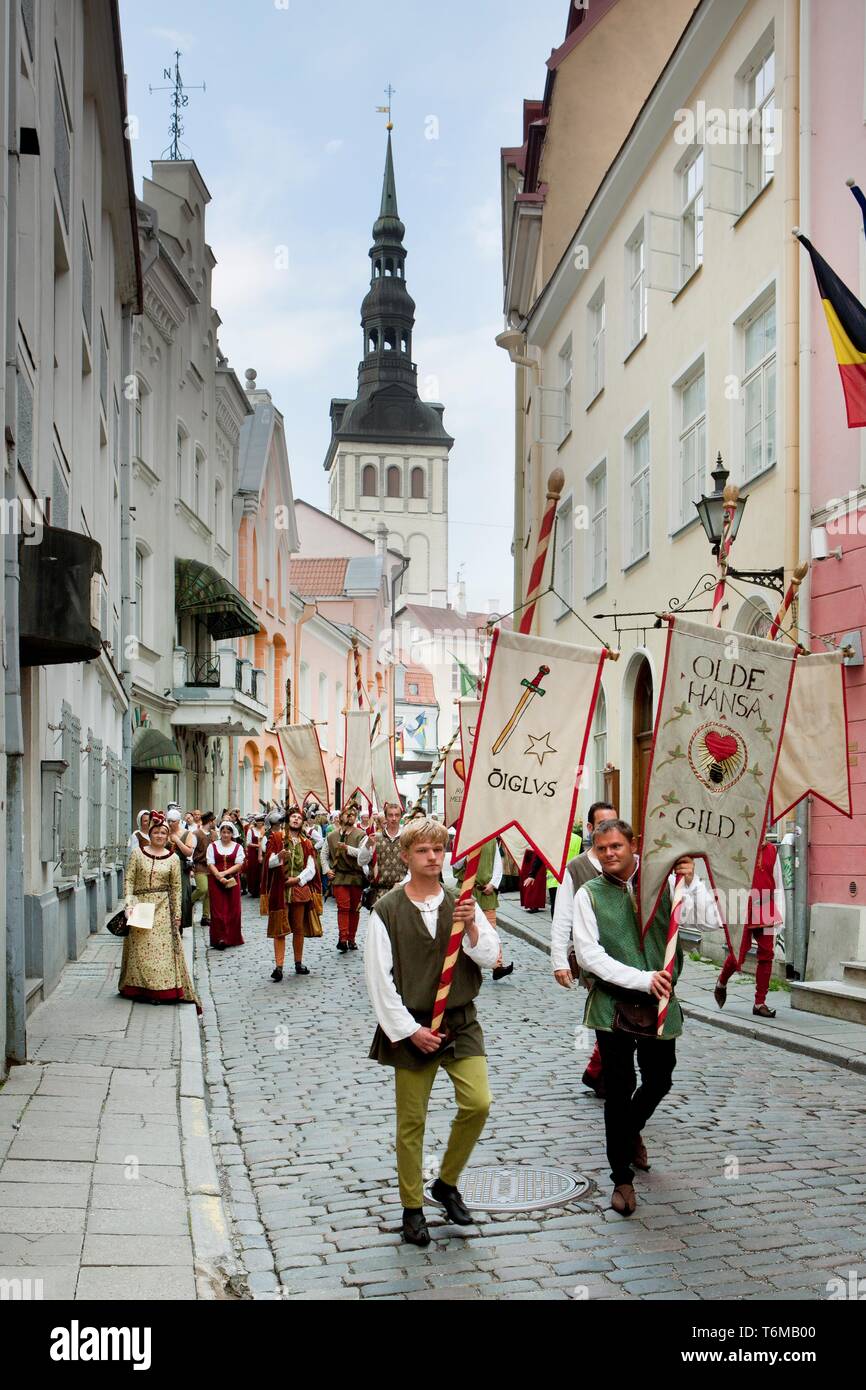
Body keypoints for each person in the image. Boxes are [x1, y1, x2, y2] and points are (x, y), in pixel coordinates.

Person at [570, 819, 717, 1218]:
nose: (609, 854)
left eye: (616, 846)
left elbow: (708, 921)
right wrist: (641, 978)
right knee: (618, 1089)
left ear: (633, 845)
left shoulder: (666, 882)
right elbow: (589, 955)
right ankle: (621, 1178)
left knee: (659, 1079)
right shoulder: (590, 894)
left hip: (660, 1003)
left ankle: (631, 1130)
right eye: (601, 849)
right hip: (612, 1004)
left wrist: (693, 881)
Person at [365, 818, 500, 1247]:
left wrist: (473, 926)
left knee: (478, 1102)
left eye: (438, 850)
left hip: (460, 1020)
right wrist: (408, 1032)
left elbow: (492, 957)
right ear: (406, 856)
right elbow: (379, 982)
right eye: (423, 850)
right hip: (412, 1026)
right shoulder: (386, 909)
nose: (432, 857)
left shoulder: (461, 902)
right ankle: (412, 1208)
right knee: (412, 1123)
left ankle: (446, 1182)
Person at [551, 801, 618, 1097]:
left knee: (618, 1017)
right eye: (603, 825)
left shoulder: (626, 861)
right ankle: (604, 1074)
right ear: (590, 828)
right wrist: (558, 960)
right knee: (610, 1014)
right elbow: (562, 917)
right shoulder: (577, 869)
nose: (609, 831)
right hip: (592, 957)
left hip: (626, 955)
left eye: (614, 824)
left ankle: (598, 1071)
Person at [119, 811, 201, 1012]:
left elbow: (176, 887)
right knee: (140, 946)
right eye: (156, 832)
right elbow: (129, 879)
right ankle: (140, 987)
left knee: (161, 949)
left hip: (163, 906)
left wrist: (178, 915)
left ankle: (161, 989)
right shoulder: (137, 853)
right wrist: (129, 905)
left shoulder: (172, 858)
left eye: (163, 833)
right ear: (151, 833)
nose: (159, 836)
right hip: (141, 904)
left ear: (167, 836)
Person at [714, 839, 785, 1018]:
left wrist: (780, 913)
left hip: (766, 908)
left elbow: (778, 882)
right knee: (739, 952)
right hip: (742, 908)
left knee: (767, 954)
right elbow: (725, 879)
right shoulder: (738, 845)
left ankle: (759, 1002)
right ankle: (722, 981)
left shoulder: (771, 850)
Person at [267, 805, 321, 980]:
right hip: (280, 890)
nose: (296, 819)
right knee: (280, 929)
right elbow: (269, 864)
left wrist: (297, 880)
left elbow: (311, 868)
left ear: (303, 822)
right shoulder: (277, 838)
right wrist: (279, 857)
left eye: (299, 817)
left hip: (299, 889)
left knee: (298, 927)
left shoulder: (307, 843)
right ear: (288, 820)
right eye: (293, 817)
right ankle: (279, 967)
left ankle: (298, 963)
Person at [451, 839, 514, 982]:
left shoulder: (491, 840)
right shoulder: (462, 837)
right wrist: (466, 848)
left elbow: (497, 864)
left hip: (485, 892)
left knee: (491, 930)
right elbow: (456, 864)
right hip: (466, 891)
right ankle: (467, 966)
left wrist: (493, 884)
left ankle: (497, 966)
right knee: (465, 931)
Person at [321, 802, 366, 953]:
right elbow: (324, 855)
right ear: (340, 817)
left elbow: (363, 855)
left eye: (353, 814)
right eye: (348, 814)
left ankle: (351, 939)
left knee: (354, 909)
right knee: (343, 908)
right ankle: (343, 939)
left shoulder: (361, 835)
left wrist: (347, 848)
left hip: (355, 876)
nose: (351, 816)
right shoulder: (332, 835)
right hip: (339, 876)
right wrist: (327, 870)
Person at [357, 802, 406, 906]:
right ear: (386, 817)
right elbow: (361, 861)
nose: (393, 818)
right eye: (390, 815)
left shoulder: (407, 838)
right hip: (379, 893)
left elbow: (413, 866)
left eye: (397, 815)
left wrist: (403, 883)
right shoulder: (375, 838)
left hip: (402, 892)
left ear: (400, 817)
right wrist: (367, 845)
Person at [207, 820, 246, 949]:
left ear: (232, 834)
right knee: (217, 910)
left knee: (233, 910)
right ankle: (220, 938)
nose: (225, 835)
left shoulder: (237, 847)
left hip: (232, 881)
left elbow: (239, 864)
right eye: (223, 832)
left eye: (228, 832)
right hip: (215, 881)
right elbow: (210, 863)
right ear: (220, 833)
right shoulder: (212, 846)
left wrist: (225, 874)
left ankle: (232, 937)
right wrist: (218, 876)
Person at [167, 808, 195, 934]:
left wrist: (177, 840)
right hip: (166, 867)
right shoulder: (164, 832)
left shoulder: (186, 834)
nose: (170, 823)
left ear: (178, 821)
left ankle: (180, 925)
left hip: (181, 867)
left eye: (172, 821)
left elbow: (189, 852)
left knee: (183, 897)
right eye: (168, 821)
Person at [191, 812, 216, 929]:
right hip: (199, 865)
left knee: (209, 893)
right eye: (213, 821)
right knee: (202, 888)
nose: (214, 823)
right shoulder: (196, 834)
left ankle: (206, 917)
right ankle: (190, 900)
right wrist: (191, 867)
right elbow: (191, 852)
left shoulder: (214, 834)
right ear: (209, 821)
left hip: (211, 866)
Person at [245, 814, 266, 901]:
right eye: (258, 822)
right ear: (256, 823)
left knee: (262, 871)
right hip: (253, 853)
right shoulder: (251, 830)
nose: (260, 824)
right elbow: (248, 843)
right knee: (254, 871)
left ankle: (261, 889)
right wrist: (258, 845)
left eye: (261, 822)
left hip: (263, 853)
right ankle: (254, 890)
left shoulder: (264, 830)